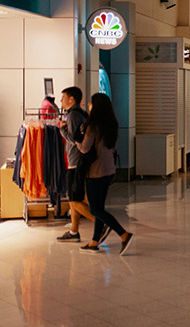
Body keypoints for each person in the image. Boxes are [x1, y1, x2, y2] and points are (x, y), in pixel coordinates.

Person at [77, 93, 134, 255]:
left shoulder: (92, 126)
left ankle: (124, 234)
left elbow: (84, 148)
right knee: (99, 206)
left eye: (90, 103)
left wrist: (74, 140)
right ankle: (95, 241)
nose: (88, 105)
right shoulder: (112, 124)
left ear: (96, 106)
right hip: (109, 169)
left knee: (95, 210)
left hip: (95, 171)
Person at [56, 87, 95, 243]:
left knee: (73, 200)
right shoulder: (82, 114)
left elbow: (74, 140)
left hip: (75, 162)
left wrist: (62, 130)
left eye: (63, 97)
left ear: (71, 99)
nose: (61, 101)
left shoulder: (72, 115)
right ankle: (74, 232)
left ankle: (101, 222)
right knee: (75, 198)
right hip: (79, 161)